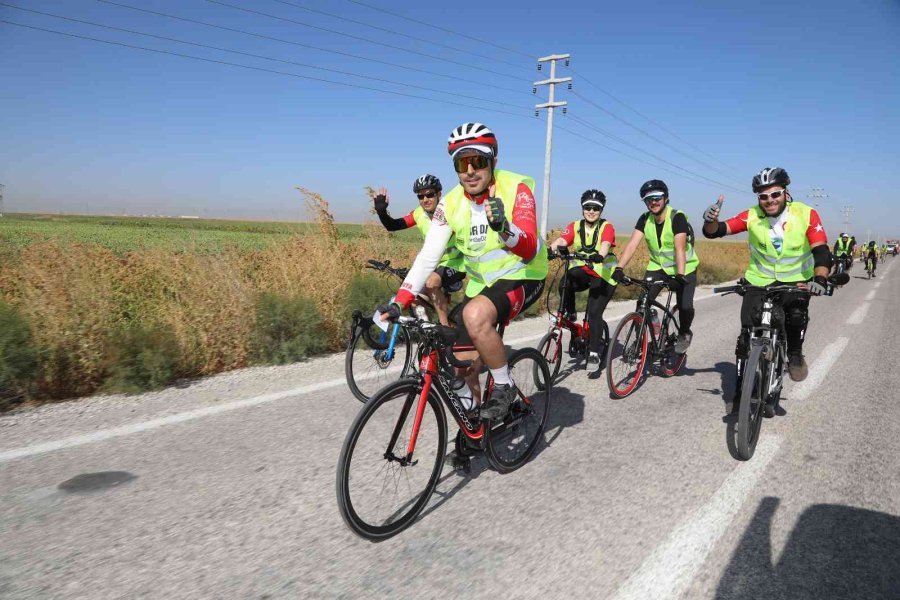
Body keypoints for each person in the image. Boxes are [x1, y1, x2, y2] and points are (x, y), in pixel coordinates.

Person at [377, 122, 548, 420]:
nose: (470, 171)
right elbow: (428, 256)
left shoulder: (517, 188)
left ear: (493, 160)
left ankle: (504, 386)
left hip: (524, 275)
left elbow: (530, 247)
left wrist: (504, 229)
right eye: (461, 163)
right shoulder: (450, 204)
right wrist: (399, 301)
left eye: (478, 161)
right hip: (482, 285)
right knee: (461, 364)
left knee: (474, 315)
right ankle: (475, 426)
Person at [701, 167, 831, 412]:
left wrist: (820, 279)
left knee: (795, 317)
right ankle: (741, 389)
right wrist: (710, 221)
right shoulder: (752, 215)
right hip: (758, 280)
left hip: (796, 281)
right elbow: (716, 231)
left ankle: (794, 353)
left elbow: (821, 250)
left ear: (785, 193)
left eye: (775, 194)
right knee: (745, 336)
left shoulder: (806, 214)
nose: (769, 200)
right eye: (763, 196)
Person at [612, 179, 699, 354]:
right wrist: (619, 268)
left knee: (685, 307)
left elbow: (680, 248)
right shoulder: (645, 219)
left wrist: (679, 276)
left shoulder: (677, 217)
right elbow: (632, 245)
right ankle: (640, 342)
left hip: (684, 268)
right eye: (648, 199)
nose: (653, 202)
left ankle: (684, 333)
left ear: (665, 198)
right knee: (642, 303)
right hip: (657, 267)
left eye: (657, 198)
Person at [372, 175, 464, 325]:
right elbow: (393, 225)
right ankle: (427, 329)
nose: (425, 199)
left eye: (430, 194)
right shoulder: (418, 214)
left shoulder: (451, 211)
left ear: (439, 194)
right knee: (413, 295)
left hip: (457, 262)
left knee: (431, 283)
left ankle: (445, 327)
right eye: (420, 196)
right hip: (434, 264)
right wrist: (381, 212)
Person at [548, 189, 619, 373]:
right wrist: (550, 250)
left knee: (594, 313)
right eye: (588, 207)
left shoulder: (606, 227)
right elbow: (563, 240)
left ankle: (594, 353)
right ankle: (570, 313)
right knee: (565, 281)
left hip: (604, 274)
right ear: (582, 208)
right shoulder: (575, 225)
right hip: (585, 270)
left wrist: (600, 255)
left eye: (596, 208)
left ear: (601, 210)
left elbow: (605, 243)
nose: (591, 211)